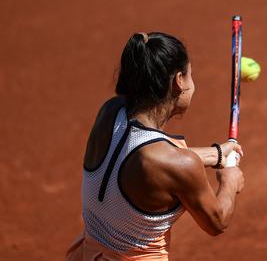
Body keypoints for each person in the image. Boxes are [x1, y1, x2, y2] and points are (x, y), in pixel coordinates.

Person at [65, 32, 245, 261]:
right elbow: (217, 222)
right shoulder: (176, 164)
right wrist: (229, 181)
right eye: (190, 75)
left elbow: (148, 159)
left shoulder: (109, 113)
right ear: (178, 81)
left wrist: (216, 153)